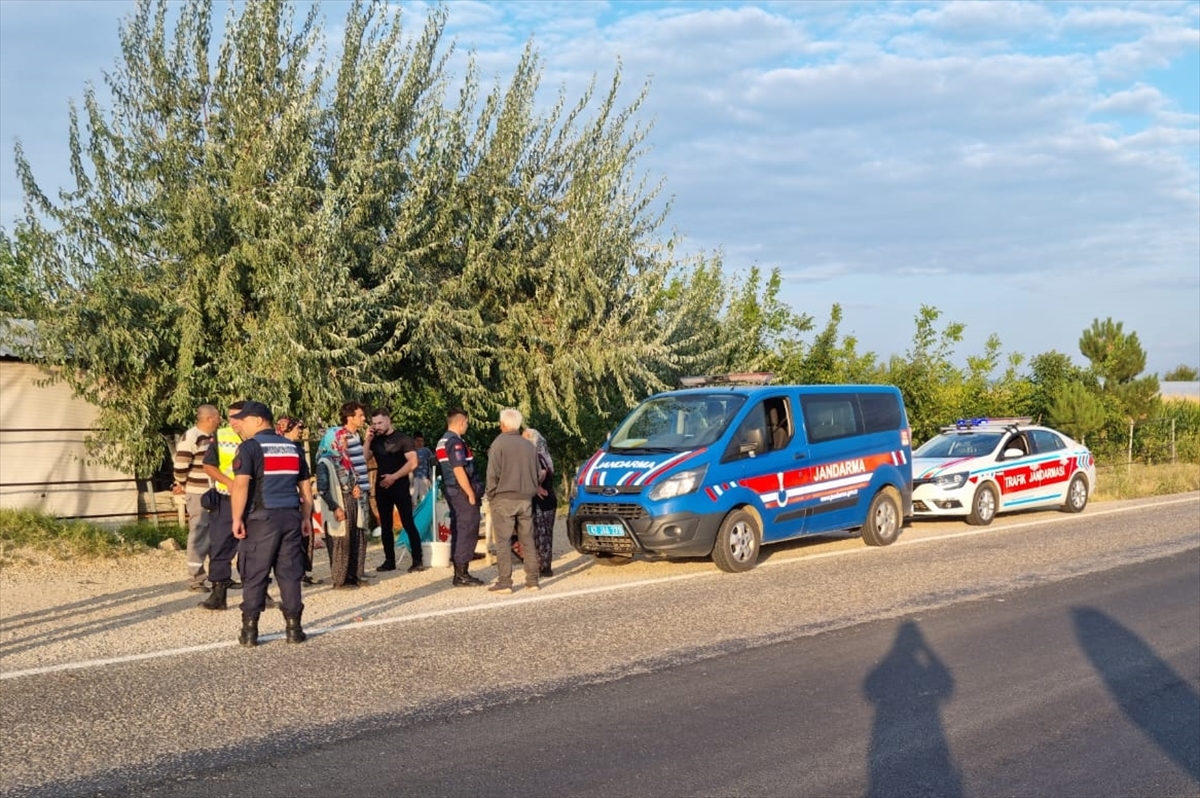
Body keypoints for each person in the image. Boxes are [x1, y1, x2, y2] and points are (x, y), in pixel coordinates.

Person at [228, 401, 313, 647]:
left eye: (243, 420)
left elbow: (241, 485)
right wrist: (306, 517)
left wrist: (236, 518)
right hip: (290, 516)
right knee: (290, 573)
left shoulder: (249, 447)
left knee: (255, 572)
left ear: (257, 420)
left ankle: (250, 631)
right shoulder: (293, 448)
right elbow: (305, 488)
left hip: (261, 518)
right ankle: (294, 629)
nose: (240, 425)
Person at [484, 408, 541, 594]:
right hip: (526, 498)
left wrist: (490, 495)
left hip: (504, 498)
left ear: (502, 424)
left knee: (503, 541)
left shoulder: (498, 444)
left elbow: (492, 474)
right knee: (528, 540)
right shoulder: (529, 446)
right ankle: (532, 581)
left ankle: (505, 582)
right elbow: (538, 473)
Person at [368, 409, 428, 573]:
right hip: (382, 487)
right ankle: (389, 560)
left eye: (380, 423)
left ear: (388, 420)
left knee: (407, 522)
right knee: (385, 524)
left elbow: (413, 462)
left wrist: (394, 477)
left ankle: (417, 559)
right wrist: (367, 440)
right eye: (374, 423)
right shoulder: (375, 440)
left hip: (399, 485)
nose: (377, 426)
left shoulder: (403, 439)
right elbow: (364, 457)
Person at [436, 408, 485, 587]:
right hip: (461, 491)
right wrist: (470, 493)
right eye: (467, 422)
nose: (467, 425)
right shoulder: (454, 442)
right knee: (467, 528)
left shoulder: (443, 440)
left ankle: (460, 570)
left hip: (453, 490)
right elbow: (458, 469)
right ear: (461, 422)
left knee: (459, 527)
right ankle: (462, 574)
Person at [173, 404, 220, 592]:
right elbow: (181, 466)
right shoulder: (191, 437)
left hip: (216, 491)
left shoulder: (215, 437)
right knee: (199, 532)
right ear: (209, 418)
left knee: (217, 533)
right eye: (217, 417)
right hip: (198, 492)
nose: (220, 420)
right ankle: (196, 578)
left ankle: (219, 576)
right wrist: (182, 484)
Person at [277, 416, 321, 586]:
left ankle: (302, 571)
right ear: (287, 429)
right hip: (288, 497)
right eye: (298, 428)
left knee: (306, 535)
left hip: (301, 495)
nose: (301, 431)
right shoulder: (280, 448)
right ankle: (294, 573)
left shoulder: (298, 448)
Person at [522, 427, 557, 578]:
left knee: (540, 535)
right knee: (546, 535)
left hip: (540, 501)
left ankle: (542, 567)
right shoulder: (544, 456)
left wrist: (535, 486)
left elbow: (539, 475)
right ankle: (544, 566)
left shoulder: (534, 457)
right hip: (548, 499)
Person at [411, 432, 435, 506]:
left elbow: (433, 461)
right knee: (413, 499)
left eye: (421, 441)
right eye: (418, 441)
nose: (420, 443)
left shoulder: (426, 450)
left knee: (424, 499)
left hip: (424, 478)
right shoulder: (411, 450)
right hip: (413, 478)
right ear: (414, 441)